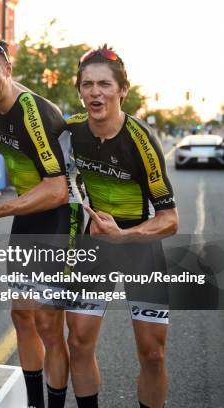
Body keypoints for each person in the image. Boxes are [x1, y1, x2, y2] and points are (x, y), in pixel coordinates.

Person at [0, 35, 82, 408]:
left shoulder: (33, 110)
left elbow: (58, 190)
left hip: (61, 219)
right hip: (31, 216)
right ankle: (34, 402)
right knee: (21, 316)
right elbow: (14, 144)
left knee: (49, 326)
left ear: (8, 70)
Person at [65, 46, 178, 408]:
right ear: (79, 90)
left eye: (104, 84)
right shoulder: (70, 133)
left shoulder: (142, 141)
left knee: (152, 353)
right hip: (95, 245)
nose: (95, 92)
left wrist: (123, 235)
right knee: (78, 342)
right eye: (87, 85)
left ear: (121, 90)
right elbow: (15, 137)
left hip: (139, 248)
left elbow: (170, 220)